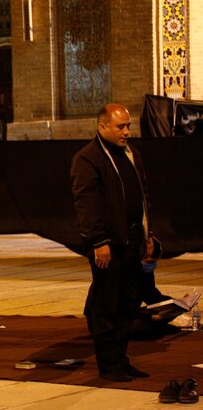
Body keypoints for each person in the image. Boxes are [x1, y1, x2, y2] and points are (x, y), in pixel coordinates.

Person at [71, 103, 157, 382]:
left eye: (128, 126)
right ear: (102, 127)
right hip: (108, 243)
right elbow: (87, 205)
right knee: (107, 304)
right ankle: (108, 365)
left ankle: (122, 359)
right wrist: (99, 241)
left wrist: (148, 235)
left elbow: (142, 198)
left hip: (132, 239)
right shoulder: (88, 159)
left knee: (129, 303)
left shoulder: (131, 154)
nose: (127, 132)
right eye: (120, 126)